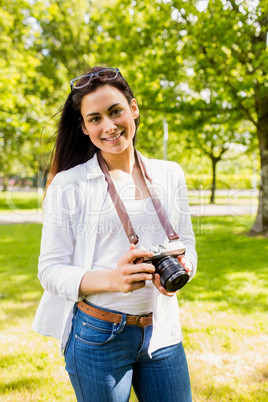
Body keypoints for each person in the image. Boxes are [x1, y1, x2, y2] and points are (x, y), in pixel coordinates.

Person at [33, 66, 197, 402]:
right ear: (83, 127)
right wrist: (114, 279)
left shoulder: (170, 174)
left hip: (162, 331)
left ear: (133, 109)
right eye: (94, 118)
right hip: (98, 336)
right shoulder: (69, 184)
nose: (108, 126)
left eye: (116, 111)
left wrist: (186, 267)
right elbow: (49, 271)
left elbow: (187, 242)